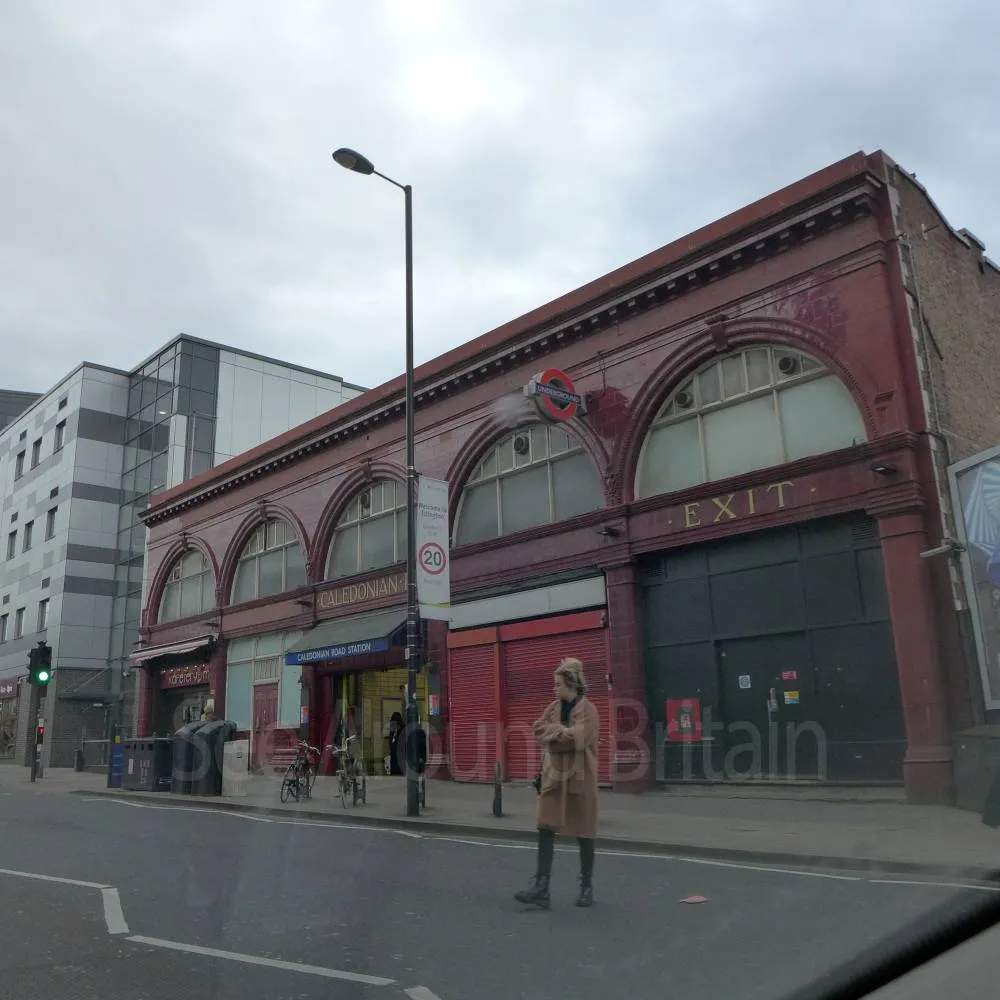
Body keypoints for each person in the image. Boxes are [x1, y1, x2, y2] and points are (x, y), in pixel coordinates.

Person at [515, 657, 599, 909]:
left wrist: (556, 735)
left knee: (584, 833)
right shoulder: (553, 707)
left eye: (557, 684)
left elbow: (580, 739)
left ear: (571, 685)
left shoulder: (589, 710)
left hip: (580, 778)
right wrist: (560, 733)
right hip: (553, 777)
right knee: (545, 827)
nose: (554, 689)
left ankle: (586, 888)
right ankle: (541, 888)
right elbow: (538, 730)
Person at [387, 711, 405, 776]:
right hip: (393, 763)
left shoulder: (403, 733)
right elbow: (391, 746)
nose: (392, 725)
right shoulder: (391, 733)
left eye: (394, 723)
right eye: (391, 723)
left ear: (398, 723)